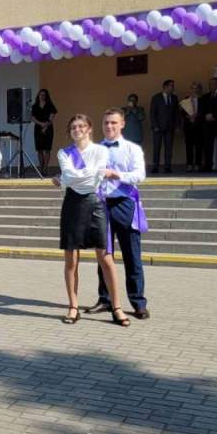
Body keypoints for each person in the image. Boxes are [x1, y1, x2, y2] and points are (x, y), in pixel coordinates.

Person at [53, 115, 131, 327]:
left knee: (105, 258)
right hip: (72, 204)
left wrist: (68, 178)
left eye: (81, 126)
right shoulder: (63, 153)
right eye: (73, 127)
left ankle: (116, 307)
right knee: (71, 260)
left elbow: (80, 177)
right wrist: (75, 176)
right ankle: (73, 306)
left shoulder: (100, 150)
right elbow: (71, 176)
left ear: (89, 129)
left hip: (95, 203)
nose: (77, 129)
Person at [84, 110, 150, 320]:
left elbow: (139, 175)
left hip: (124, 203)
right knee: (103, 256)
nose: (109, 126)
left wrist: (116, 175)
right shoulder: (93, 150)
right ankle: (105, 300)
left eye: (113, 122)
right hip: (100, 204)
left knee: (132, 254)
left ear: (122, 124)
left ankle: (138, 302)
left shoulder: (132, 149)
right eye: (106, 123)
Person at [149, 79, 178, 173]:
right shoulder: (156, 97)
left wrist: (177, 125)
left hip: (170, 127)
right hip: (158, 127)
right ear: (165, 87)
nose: (173, 87)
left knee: (169, 148)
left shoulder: (174, 98)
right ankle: (155, 166)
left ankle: (167, 166)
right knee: (157, 147)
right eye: (171, 86)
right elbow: (152, 113)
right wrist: (154, 125)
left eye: (173, 86)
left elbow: (176, 113)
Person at [31, 89, 58, 171]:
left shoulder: (50, 105)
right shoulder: (34, 106)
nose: (42, 96)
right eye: (41, 94)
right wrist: (41, 124)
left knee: (47, 149)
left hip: (48, 128)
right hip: (38, 128)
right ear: (38, 96)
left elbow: (51, 117)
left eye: (44, 95)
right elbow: (32, 118)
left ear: (46, 96)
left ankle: (45, 168)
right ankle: (41, 167)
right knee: (39, 149)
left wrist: (45, 126)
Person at [180, 83, 203, 172]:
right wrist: (187, 116)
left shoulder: (203, 99)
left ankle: (197, 164)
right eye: (193, 88)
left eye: (196, 88)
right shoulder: (185, 100)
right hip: (188, 126)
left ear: (199, 89)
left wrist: (197, 115)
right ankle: (189, 164)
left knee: (199, 146)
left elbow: (204, 111)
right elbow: (182, 113)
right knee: (189, 146)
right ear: (191, 89)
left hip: (199, 125)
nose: (195, 90)